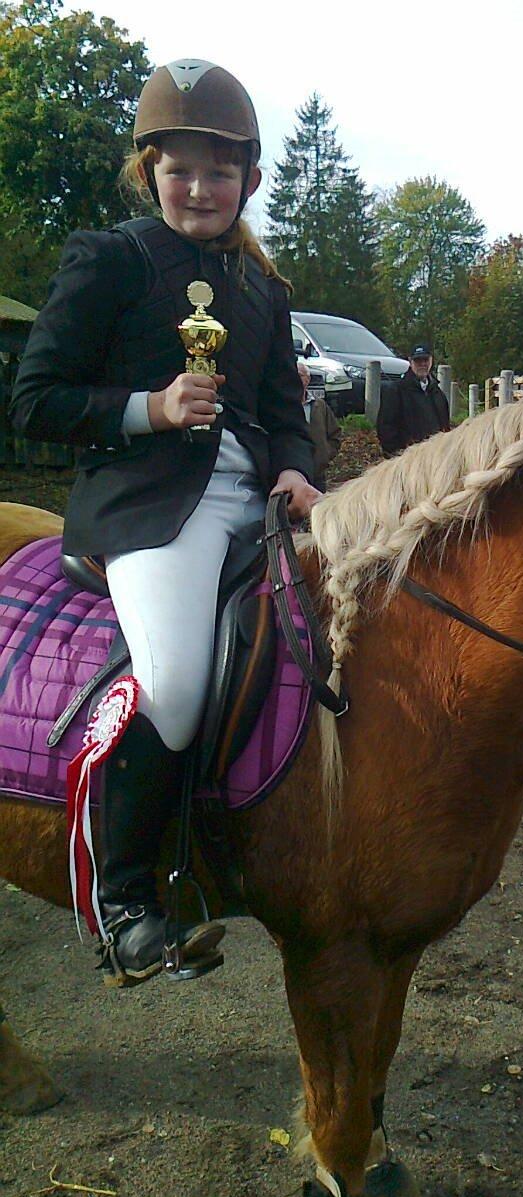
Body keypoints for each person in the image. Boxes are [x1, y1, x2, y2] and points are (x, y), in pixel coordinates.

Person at [11, 58, 319, 988]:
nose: (200, 187)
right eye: (181, 169)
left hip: (256, 505)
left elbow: (282, 408)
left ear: (250, 182)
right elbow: (35, 398)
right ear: (150, 172)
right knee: (178, 680)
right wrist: (148, 407)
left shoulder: (264, 291)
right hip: (151, 507)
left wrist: (301, 468)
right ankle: (126, 903)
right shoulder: (110, 259)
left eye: (220, 172)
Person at [376, 341, 450, 456]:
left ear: (431, 361)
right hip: (407, 459)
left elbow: (445, 427)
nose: (422, 364)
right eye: (418, 361)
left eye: (425, 360)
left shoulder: (438, 394)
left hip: (435, 457)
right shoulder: (396, 391)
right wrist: (395, 454)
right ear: (410, 362)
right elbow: (385, 426)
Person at [298, 359, 342, 491]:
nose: (296, 379)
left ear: (307, 380)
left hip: (317, 474)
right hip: (293, 473)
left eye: (300, 375)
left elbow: (335, 434)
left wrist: (324, 455)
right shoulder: (283, 406)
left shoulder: (320, 406)